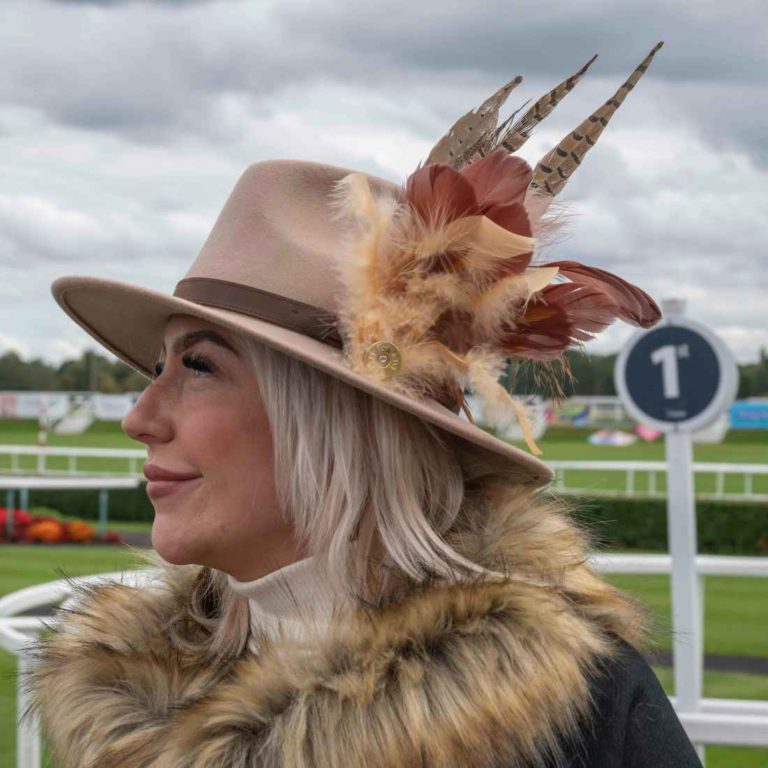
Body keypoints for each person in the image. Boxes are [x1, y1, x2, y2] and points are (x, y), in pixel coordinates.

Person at [24, 42, 703, 767]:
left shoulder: (576, 712)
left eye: (197, 365)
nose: (139, 418)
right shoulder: (129, 709)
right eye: (157, 367)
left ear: (333, 419)